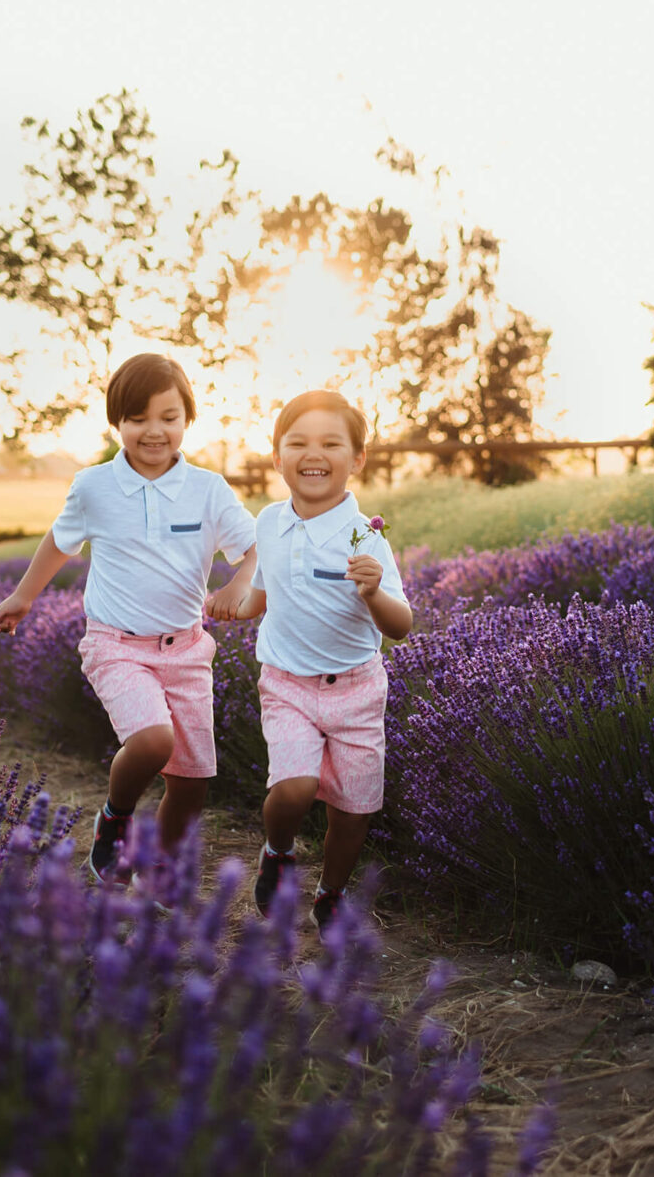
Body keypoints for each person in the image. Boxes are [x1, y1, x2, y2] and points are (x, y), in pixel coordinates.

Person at [0, 353, 257, 887]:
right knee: (155, 742)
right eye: (137, 418)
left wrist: (237, 584)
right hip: (116, 646)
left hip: (187, 650)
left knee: (192, 779)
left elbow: (256, 550)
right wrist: (23, 597)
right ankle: (115, 817)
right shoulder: (94, 487)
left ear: (188, 419)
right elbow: (58, 544)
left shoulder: (208, 490)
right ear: (117, 423)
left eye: (168, 417)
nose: (154, 431)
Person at [221, 390, 412, 931]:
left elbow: (400, 626)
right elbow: (264, 590)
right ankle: (278, 853)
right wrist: (235, 606)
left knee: (353, 812)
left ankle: (330, 893)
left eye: (332, 443)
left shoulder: (364, 535)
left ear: (357, 459)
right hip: (287, 685)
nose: (314, 453)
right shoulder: (269, 523)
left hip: (356, 688)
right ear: (278, 456)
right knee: (295, 788)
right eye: (299, 442)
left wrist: (373, 593)